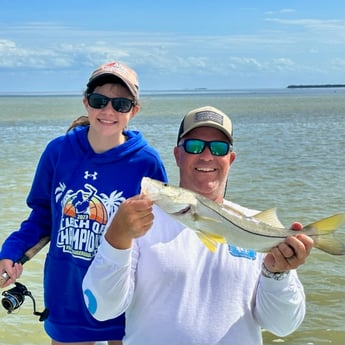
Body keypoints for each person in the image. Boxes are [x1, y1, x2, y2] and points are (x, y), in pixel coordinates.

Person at [82, 105, 314, 345]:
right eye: (194, 146)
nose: (206, 156)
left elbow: (283, 326)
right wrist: (116, 240)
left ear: (230, 159)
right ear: (177, 155)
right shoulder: (135, 223)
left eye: (219, 148)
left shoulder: (255, 225)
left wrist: (277, 274)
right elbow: (102, 309)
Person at [0, 61, 168, 345]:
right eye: (99, 100)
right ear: (86, 102)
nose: (108, 110)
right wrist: (13, 251)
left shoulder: (147, 162)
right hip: (67, 298)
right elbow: (43, 215)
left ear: (134, 111)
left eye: (121, 104)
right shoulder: (58, 152)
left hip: (125, 301)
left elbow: (158, 235)